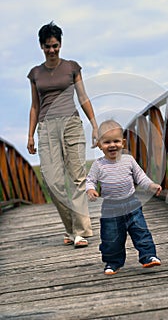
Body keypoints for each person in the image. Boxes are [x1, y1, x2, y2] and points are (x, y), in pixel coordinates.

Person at [27, 21, 98, 248]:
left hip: (71, 123)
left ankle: (80, 232)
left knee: (77, 177)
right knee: (52, 180)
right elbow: (35, 106)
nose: (52, 50)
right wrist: (30, 135)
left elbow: (83, 97)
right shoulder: (35, 73)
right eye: (47, 46)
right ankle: (72, 228)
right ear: (41, 46)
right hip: (46, 127)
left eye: (55, 45)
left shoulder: (72, 67)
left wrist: (95, 126)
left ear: (60, 44)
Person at [86, 120, 162, 275]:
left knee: (141, 230)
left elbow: (140, 177)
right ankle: (113, 263)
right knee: (111, 237)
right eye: (107, 142)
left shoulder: (128, 160)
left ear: (123, 142)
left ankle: (148, 256)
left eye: (116, 141)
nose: (112, 145)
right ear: (100, 145)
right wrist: (91, 189)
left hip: (131, 203)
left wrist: (151, 185)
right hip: (110, 208)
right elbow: (90, 180)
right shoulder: (98, 165)